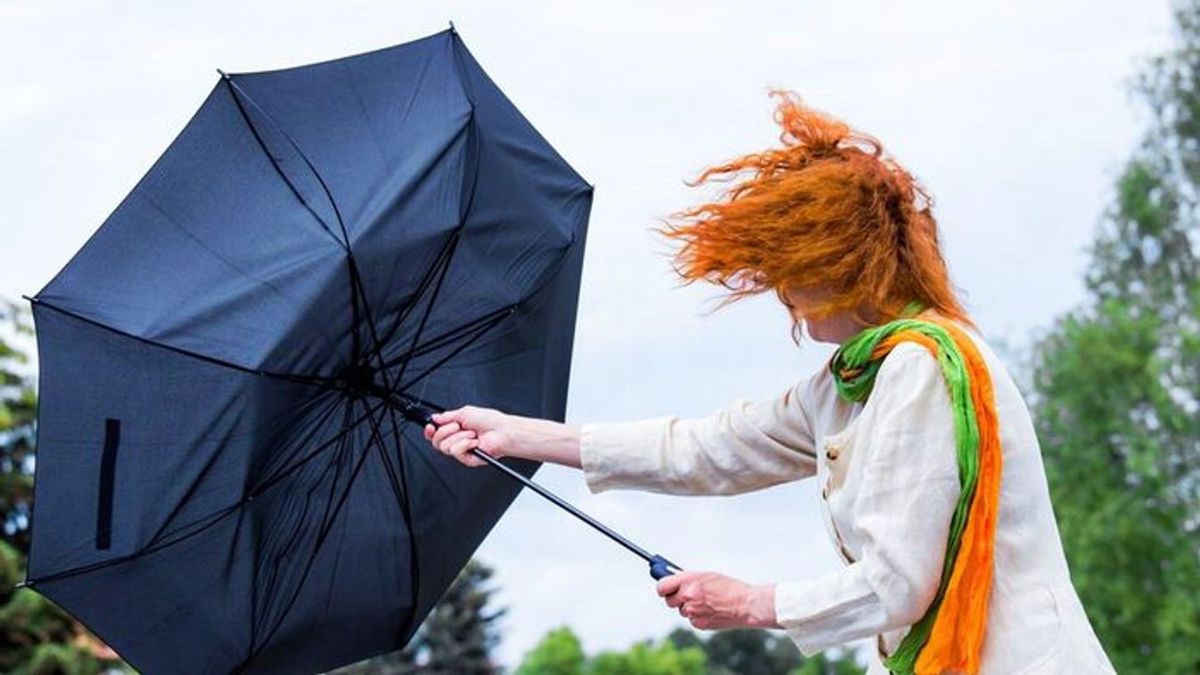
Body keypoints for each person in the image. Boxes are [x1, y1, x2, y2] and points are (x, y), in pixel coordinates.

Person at [422, 91, 1115, 674]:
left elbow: (897, 585)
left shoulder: (921, 368)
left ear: (839, 262)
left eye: (785, 262)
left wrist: (750, 603)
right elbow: (705, 447)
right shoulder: (850, 383)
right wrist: (519, 435)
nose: (778, 286)